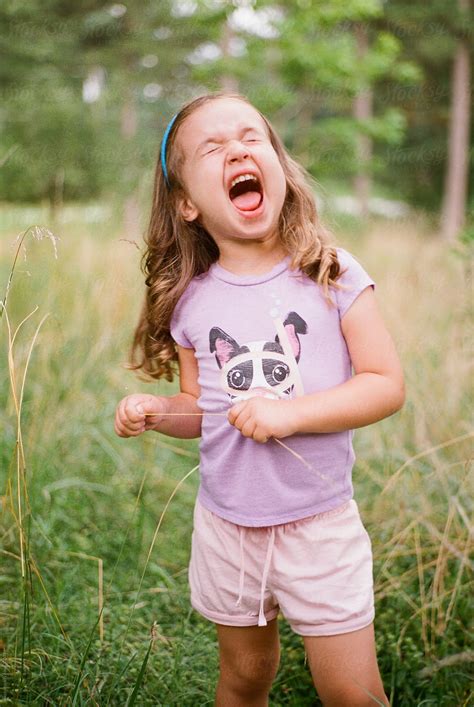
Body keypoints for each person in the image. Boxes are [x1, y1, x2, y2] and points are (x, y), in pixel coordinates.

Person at [114, 90, 405, 706]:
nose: (237, 150)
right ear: (187, 203)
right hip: (227, 526)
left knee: (352, 693)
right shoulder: (192, 300)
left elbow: (385, 384)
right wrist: (156, 411)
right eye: (212, 148)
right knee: (245, 678)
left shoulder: (332, 272)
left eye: (251, 137)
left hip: (318, 526)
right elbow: (202, 407)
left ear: (277, 165)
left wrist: (289, 414)